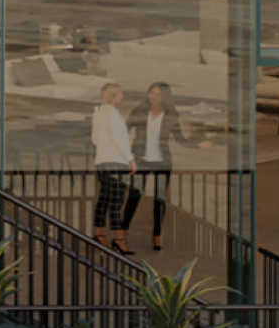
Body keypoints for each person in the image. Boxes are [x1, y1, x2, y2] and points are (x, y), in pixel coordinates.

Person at [137, 81, 218, 251]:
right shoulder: (140, 110)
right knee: (134, 196)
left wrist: (199, 144)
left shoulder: (171, 116)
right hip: (142, 160)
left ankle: (157, 235)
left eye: (157, 94)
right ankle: (121, 234)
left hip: (163, 162)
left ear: (164, 97)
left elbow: (181, 140)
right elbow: (125, 130)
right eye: (151, 93)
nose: (153, 97)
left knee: (160, 200)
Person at [90, 82, 140, 253]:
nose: (122, 96)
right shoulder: (114, 114)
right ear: (113, 96)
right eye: (120, 93)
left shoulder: (98, 113)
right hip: (117, 162)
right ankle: (119, 240)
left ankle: (100, 234)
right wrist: (130, 159)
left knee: (104, 198)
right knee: (117, 202)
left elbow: (95, 139)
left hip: (102, 161)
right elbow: (120, 140)